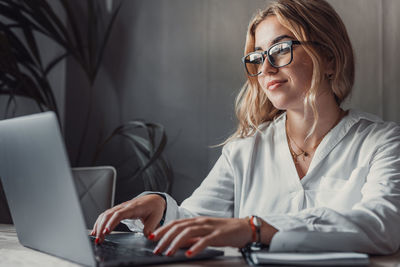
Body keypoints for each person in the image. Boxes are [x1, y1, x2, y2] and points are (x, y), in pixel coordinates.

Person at [91, 0, 400, 257]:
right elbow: (199, 221)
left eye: (281, 49)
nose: (265, 69)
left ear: (329, 58)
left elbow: (382, 224)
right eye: (258, 56)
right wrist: (159, 207)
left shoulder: (384, 142)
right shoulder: (244, 149)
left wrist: (254, 228)